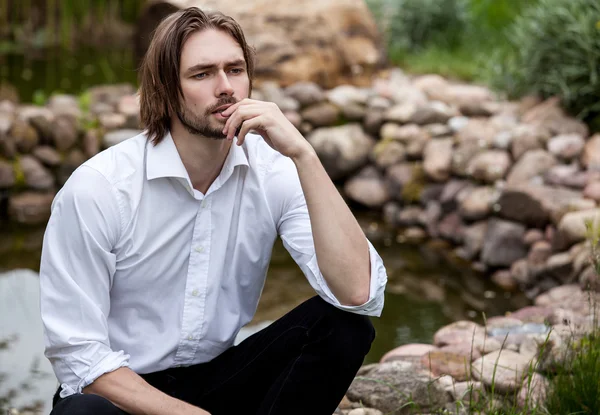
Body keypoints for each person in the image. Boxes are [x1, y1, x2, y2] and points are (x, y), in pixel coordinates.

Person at [40, 7, 387, 415]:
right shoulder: (99, 188)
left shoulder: (273, 167)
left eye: (235, 70)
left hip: (218, 379)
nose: (226, 88)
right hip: (123, 395)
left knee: (343, 327)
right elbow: (79, 356)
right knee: (83, 412)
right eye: (202, 74)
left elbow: (358, 295)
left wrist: (304, 155)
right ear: (166, 90)